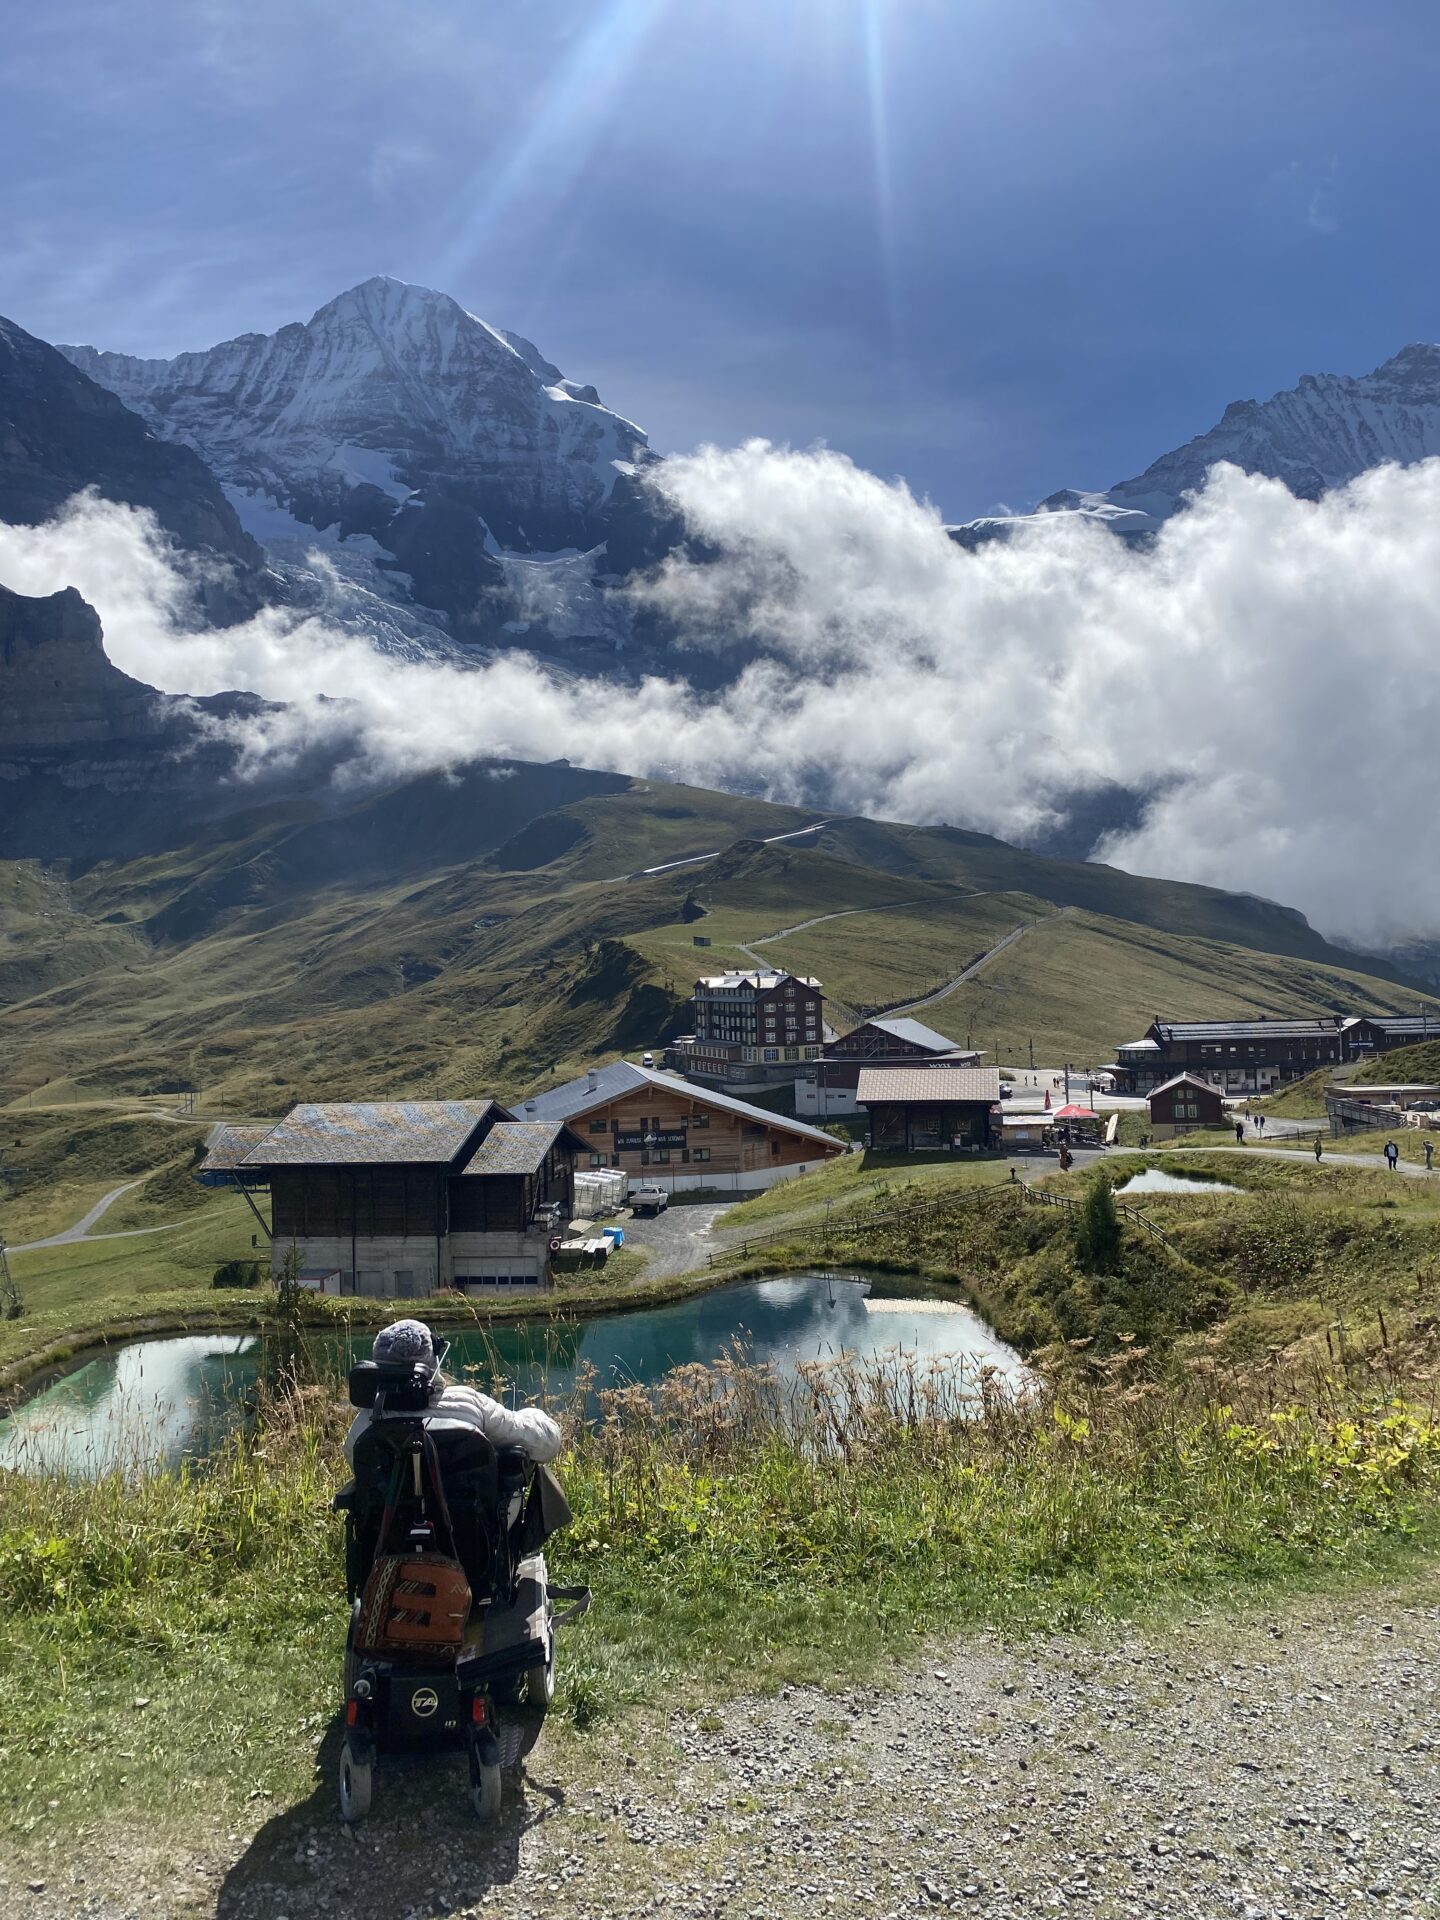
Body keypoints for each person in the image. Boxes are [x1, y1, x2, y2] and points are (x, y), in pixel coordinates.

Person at [344, 1319, 562, 1468]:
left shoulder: (366, 1421)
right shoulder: (468, 1403)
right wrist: (535, 1415)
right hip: (471, 1533)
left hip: (393, 1532)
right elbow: (547, 1444)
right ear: (432, 1360)